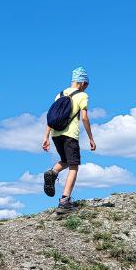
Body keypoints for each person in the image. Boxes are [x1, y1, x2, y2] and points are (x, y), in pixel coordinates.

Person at [41, 67, 96, 213]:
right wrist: (91, 138)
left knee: (65, 160)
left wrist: (45, 137)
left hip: (56, 134)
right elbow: (84, 118)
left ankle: (52, 172)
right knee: (74, 166)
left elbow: (50, 117)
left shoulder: (59, 95)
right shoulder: (82, 96)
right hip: (70, 135)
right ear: (83, 83)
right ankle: (65, 201)